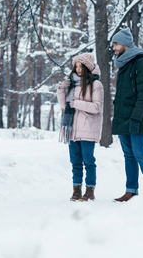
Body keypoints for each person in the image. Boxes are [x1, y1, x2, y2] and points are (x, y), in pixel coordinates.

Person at [111, 28, 143, 202]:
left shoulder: (141, 62)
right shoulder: (124, 64)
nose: (114, 48)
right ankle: (131, 190)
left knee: (140, 153)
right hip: (123, 117)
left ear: (124, 44)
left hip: (136, 118)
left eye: (116, 44)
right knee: (128, 155)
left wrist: (135, 118)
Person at [57, 53, 104, 202]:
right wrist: (61, 89)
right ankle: (76, 190)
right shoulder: (72, 84)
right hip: (73, 129)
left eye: (80, 66)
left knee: (89, 161)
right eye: (76, 66)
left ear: (87, 67)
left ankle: (90, 190)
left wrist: (76, 103)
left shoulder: (96, 85)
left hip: (88, 128)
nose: (77, 69)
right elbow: (65, 106)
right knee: (75, 162)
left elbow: (97, 107)